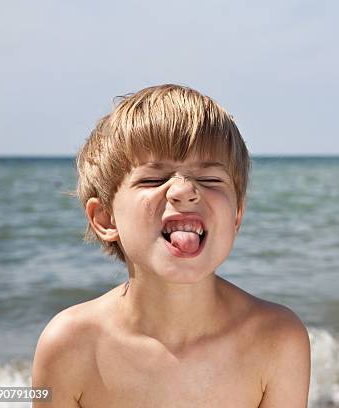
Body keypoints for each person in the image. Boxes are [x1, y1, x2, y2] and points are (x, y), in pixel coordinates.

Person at [31, 84, 311, 407]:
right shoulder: (69, 346)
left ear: (236, 215)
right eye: (152, 179)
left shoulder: (276, 339)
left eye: (210, 179)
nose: (184, 190)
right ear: (106, 218)